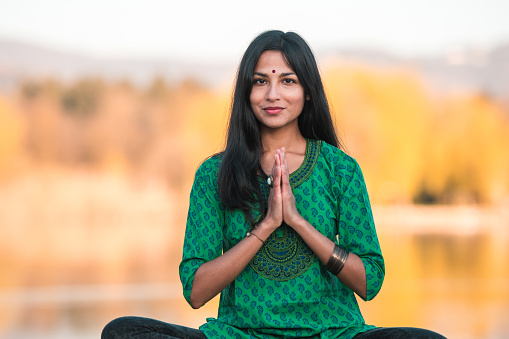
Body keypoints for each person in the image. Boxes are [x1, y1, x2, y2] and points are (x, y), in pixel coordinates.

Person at [102, 30, 446, 339]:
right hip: (240, 334)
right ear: (246, 91)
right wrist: (265, 226)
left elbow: (369, 281)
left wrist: (297, 222)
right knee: (123, 332)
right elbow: (195, 291)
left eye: (288, 80)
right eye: (260, 81)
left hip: (332, 332)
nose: (273, 94)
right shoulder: (214, 173)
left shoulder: (340, 170)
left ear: (308, 91)